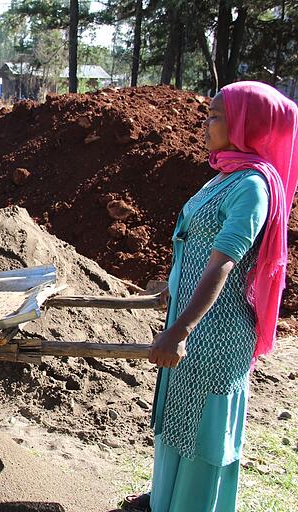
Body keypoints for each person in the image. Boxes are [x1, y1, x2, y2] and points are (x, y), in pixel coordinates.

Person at [122, 81, 297, 511]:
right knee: (178, 419)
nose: (206, 122)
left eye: (216, 115)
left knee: (203, 431)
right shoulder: (227, 175)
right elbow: (194, 246)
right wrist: (171, 289)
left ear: (245, 123)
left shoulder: (252, 186)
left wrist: (181, 330)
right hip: (192, 325)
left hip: (215, 334)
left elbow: (223, 261)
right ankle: (165, 499)